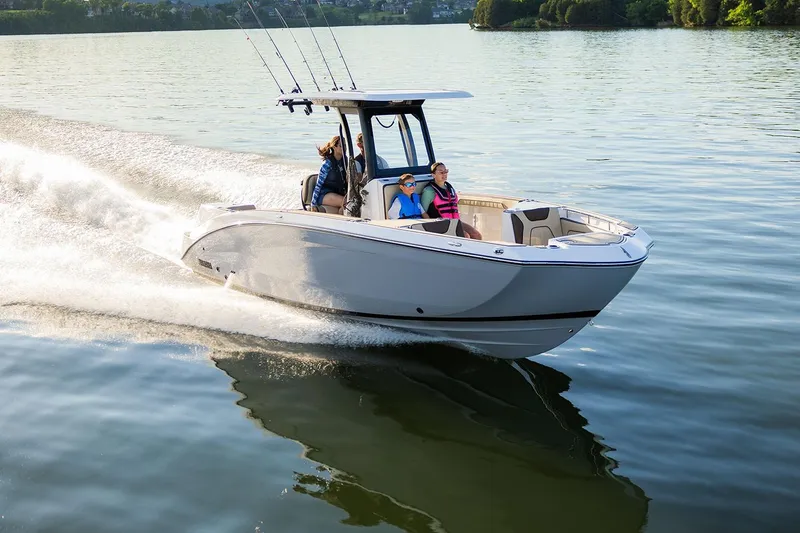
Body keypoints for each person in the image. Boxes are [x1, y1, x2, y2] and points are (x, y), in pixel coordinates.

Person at [420, 161, 482, 240]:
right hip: (440, 223)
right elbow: (423, 212)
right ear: (433, 175)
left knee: (476, 235)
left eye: (445, 171)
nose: (444, 174)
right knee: (465, 236)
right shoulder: (429, 191)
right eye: (441, 172)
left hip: (454, 222)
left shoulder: (450, 188)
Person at [311, 135, 346, 212]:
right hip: (324, 194)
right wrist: (313, 204)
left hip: (336, 192)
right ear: (334, 147)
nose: (344, 148)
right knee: (346, 202)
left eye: (345, 145)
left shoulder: (345, 162)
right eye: (341, 146)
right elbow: (318, 184)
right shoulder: (327, 164)